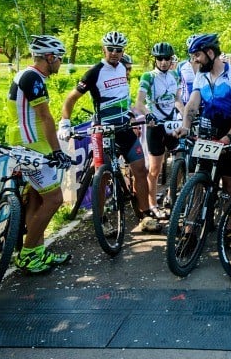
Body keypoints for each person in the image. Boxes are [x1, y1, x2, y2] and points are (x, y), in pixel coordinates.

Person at [58, 30, 160, 233]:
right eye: (110, 49)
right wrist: (65, 123)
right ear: (103, 49)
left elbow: (123, 98)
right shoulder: (95, 71)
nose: (114, 53)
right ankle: (102, 218)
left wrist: (133, 114)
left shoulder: (123, 68)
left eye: (118, 50)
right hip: (103, 132)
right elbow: (71, 98)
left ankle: (145, 215)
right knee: (101, 177)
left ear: (123, 51)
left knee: (140, 170)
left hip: (124, 128)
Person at [6, 35, 73, 274]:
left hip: (30, 144)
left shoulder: (31, 75)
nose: (60, 63)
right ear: (50, 57)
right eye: (60, 59)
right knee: (55, 199)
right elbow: (45, 117)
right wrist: (57, 151)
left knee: (37, 198)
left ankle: (37, 250)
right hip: (32, 146)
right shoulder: (32, 77)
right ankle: (26, 255)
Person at [177, 34, 231, 246]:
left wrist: (229, 137)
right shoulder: (201, 76)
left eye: (197, 55)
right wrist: (185, 126)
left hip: (228, 136)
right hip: (207, 136)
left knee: (229, 187)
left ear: (210, 52)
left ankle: (228, 231)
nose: (195, 60)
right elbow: (192, 104)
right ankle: (190, 232)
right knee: (198, 183)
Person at [135, 42, 180, 217]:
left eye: (166, 59)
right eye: (159, 59)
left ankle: (171, 195)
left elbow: (178, 100)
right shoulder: (148, 76)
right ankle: (153, 204)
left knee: (181, 160)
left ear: (171, 60)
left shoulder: (175, 76)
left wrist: (185, 117)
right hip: (156, 125)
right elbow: (139, 102)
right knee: (154, 169)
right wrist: (148, 114)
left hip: (172, 124)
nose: (163, 62)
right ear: (155, 60)